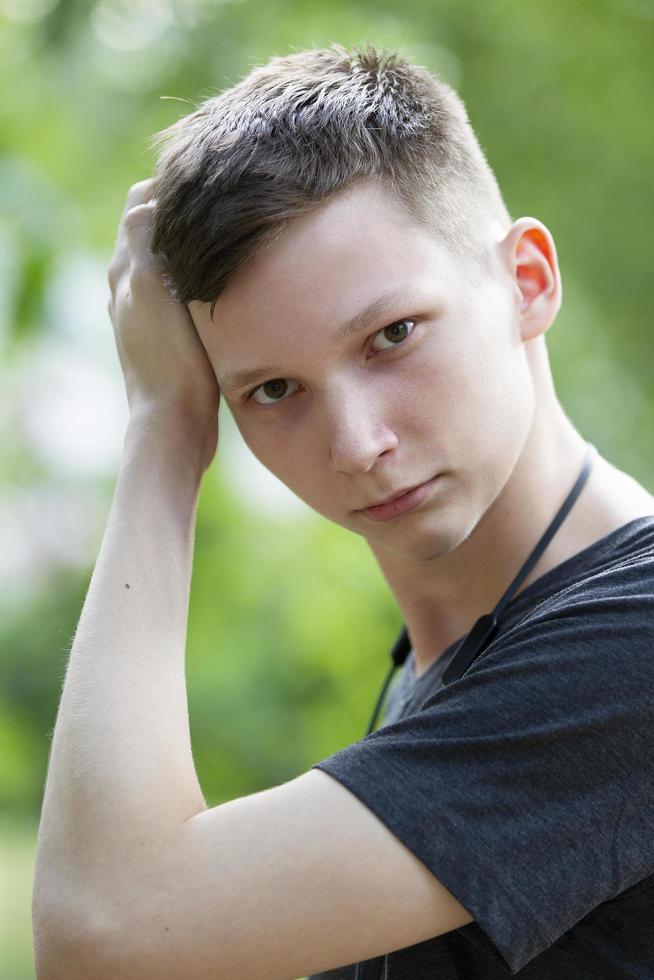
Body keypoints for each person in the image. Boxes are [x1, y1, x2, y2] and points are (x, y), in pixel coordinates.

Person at [32, 43, 654, 980]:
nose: (356, 444)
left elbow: (106, 935)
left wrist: (164, 434)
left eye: (392, 336)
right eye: (275, 390)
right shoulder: (447, 663)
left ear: (527, 281)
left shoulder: (631, 642)